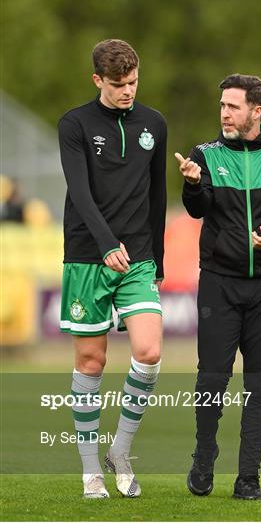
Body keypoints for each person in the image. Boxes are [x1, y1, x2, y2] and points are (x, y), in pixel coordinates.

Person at [175, 74, 261, 500]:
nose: (224, 112)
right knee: (211, 379)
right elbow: (196, 210)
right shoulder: (206, 154)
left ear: (256, 111)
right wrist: (193, 183)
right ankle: (204, 457)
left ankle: (248, 478)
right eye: (222, 105)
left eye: (233, 106)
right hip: (219, 283)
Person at [58, 39, 167, 499]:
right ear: (97, 80)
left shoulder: (154, 123)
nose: (128, 91)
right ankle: (90, 471)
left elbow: (158, 192)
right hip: (88, 255)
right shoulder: (75, 123)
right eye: (119, 84)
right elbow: (79, 192)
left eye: (134, 82)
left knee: (148, 352)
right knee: (92, 361)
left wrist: (157, 256)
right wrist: (105, 245)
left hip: (138, 258)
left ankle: (120, 450)